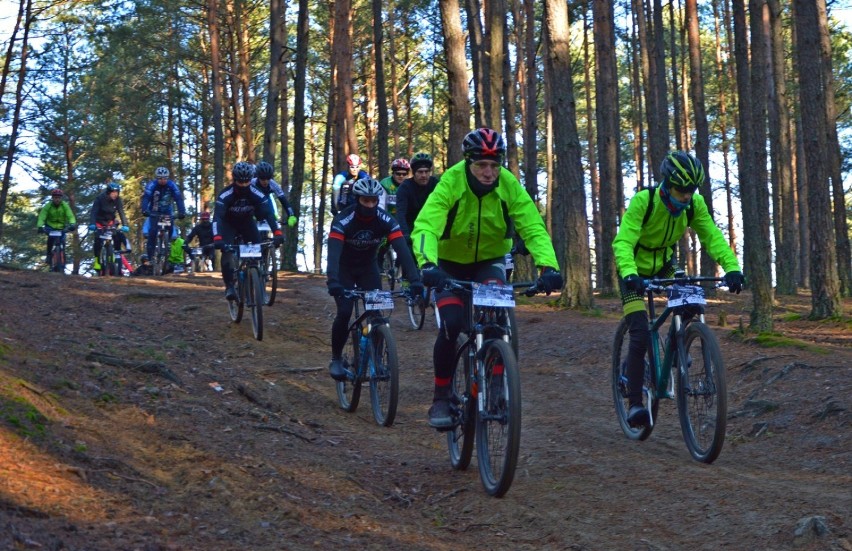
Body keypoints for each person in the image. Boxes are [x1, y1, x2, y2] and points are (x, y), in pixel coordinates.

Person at [411, 128, 564, 429]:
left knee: (495, 317)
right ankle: (441, 395)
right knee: (452, 325)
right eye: (482, 165)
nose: (489, 172)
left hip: (490, 261)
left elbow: (532, 225)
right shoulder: (450, 183)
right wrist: (427, 263)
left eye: (495, 166)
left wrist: (548, 266)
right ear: (468, 162)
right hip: (449, 262)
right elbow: (426, 225)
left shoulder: (508, 185)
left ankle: (495, 385)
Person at [612, 150, 745, 428]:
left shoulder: (694, 205)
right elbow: (623, 242)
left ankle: (680, 342)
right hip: (633, 268)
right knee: (639, 332)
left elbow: (712, 236)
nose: (686, 196)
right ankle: (635, 403)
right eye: (682, 190)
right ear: (667, 184)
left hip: (664, 264)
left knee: (689, 302)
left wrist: (732, 267)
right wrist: (629, 274)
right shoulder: (644, 201)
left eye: (691, 190)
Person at [325, 178, 424, 381]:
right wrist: (332, 281)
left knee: (376, 314)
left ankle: (377, 359)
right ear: (357, 199)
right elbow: (333, 254)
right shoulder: (344, 220)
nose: (370, 205)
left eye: (373, 201)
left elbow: (403, 251)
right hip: (344, 269)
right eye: (365, 201)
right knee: (344, 311)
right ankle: (336, 358)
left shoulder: (386, 220)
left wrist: (415, 280)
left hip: (368, 268)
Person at [212, 162, 284, 300]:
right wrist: (217, 237)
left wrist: (277, 232)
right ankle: (230, 287)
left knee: (257, 249)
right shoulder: (225, 194)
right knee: (226, 251)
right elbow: (217, 218)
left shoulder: (256, 193)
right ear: (234, 179)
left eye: (247, 181)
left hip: (247, 223)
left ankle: (255, 275)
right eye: (240, 181)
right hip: (229, 224)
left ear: (251, 179)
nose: (244, 184)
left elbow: (268, 214)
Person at [395, 152, 440, 249]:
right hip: (410, 227)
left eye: (427, 171)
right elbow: (400, 214)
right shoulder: (405, 187)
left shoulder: (436, 184)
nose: (424, 175)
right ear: (414, 172)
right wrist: (405, 235)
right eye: (420, 172)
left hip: (431, 227)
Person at [141, 166, 187, 261]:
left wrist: (182, 211)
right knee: (152, 233)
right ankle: (150, 258)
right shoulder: (151, 185)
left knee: (170, 228)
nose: (163, 180)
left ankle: (168, 244)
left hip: (167, 211)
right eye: (160, 178)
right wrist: (144, 209)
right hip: (154, 211)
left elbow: (178, 199)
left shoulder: (172, 185)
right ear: (157, 178)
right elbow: (146, 198)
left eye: (165, 178)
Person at [376, 158, 410, 274]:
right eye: (398, 174)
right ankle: (378, 265)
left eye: (404, 174)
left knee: (406, 241)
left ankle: (398, 266)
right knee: (384, 240)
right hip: (388, 218)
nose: (401, 176)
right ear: (393, 173)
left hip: (403, 219)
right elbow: (380, 205)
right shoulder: (385, 184)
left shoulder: (409, 185)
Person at [89, 181, 130, 273]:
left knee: (114, 236)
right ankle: (97, 260)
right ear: (108, 192)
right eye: (113, 192)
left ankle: (112, 257)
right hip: (99, 221)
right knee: (98, 241)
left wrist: (125, 225)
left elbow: (121, 212)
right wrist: (92, 223)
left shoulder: (118, 200)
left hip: (110, 221)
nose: (115, 194)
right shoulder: (99, 198)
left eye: (117, 192)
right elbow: (94, 212)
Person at [36, 189, 77, 268]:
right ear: (52, 198)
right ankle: (48, 255)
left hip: (61, 227)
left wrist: (72, 224)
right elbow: (42, 216)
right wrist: (40, 226)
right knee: (50, 241)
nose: (57, 199)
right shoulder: (48, 206)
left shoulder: (65, 206)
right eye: (55, 197)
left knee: (63, 243)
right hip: (50, 227)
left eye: (59, 197)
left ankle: (62, 260)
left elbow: (70, 215)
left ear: (61, 198)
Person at [252, 161, 298, 229]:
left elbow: (284, 201)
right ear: (258, 177)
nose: (266, 181)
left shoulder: (273, 184)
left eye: (268, 178)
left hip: (266, 205)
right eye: (263, 178)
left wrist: (291, 215)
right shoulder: (251, 183)